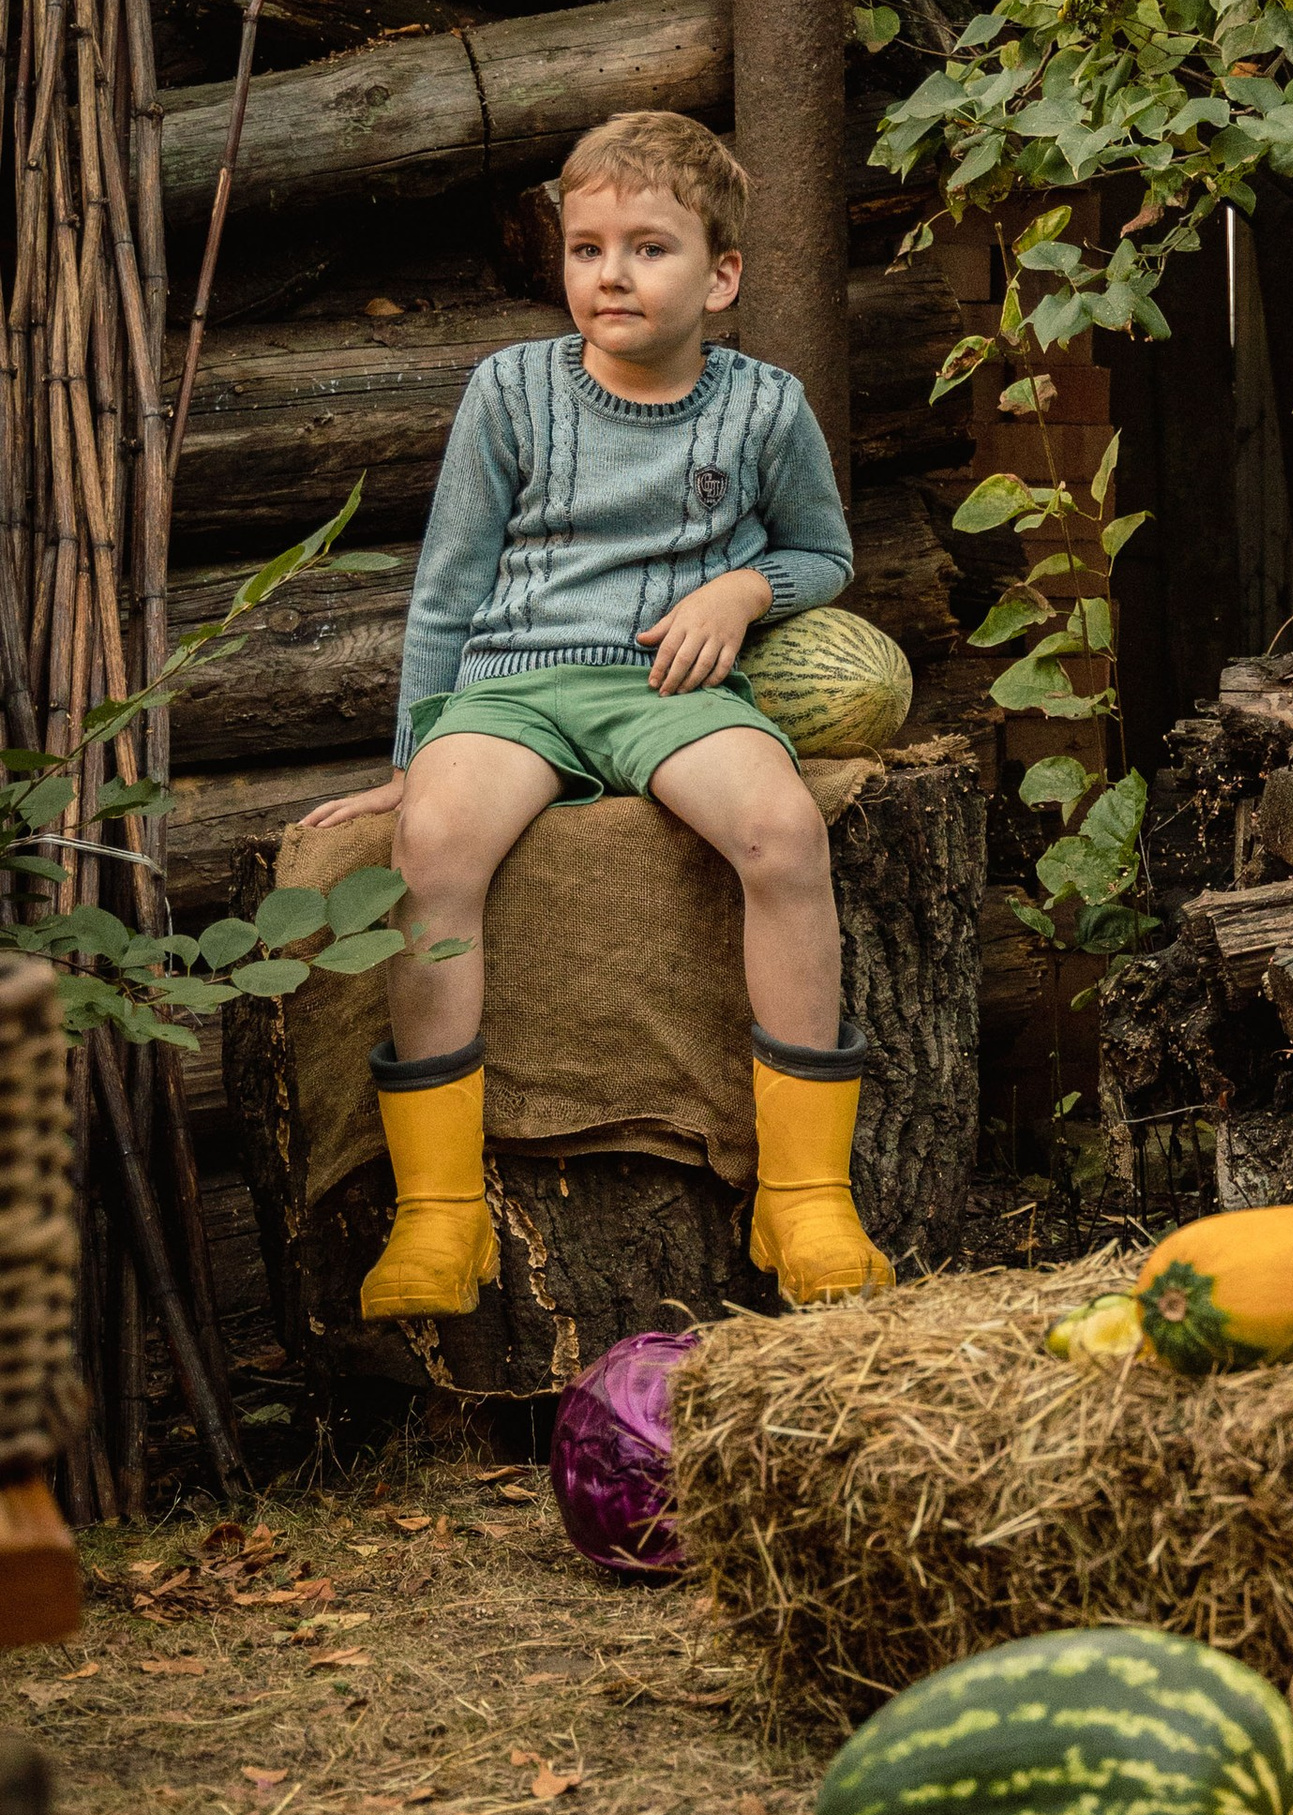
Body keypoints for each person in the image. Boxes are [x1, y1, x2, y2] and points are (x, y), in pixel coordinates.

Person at [300, 109, 893, 1319]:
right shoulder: (509, 392)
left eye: (648, 248)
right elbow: (449, 587)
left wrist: (741, 585)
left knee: (783, 833)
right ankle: (439, 1215)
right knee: (432, 850)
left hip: (670, 691)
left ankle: (805, 1195)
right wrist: (416, 758)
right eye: (586, 248)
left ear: (722, 276)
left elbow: (822, 554)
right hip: (513, 686)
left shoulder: (765, 408)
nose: (610, 274)